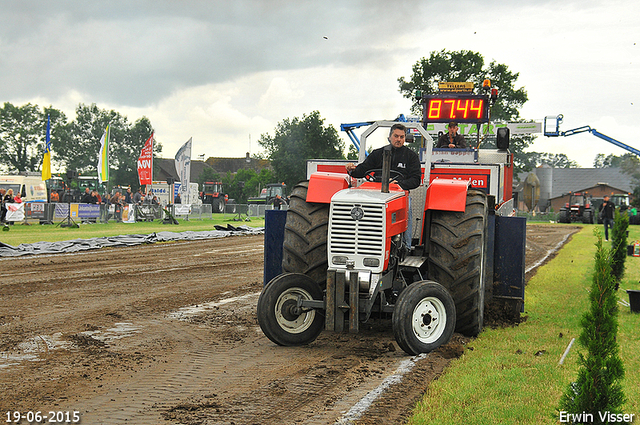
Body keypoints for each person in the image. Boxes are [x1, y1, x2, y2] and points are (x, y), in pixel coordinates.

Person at [345, 123, 422, 247]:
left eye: (401, 137)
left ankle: (405, 244)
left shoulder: (411, 157)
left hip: (399, 193)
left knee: (407, 208)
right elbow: (363, 170)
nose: (399, 139)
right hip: (376, 193)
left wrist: (400, 183)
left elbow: (416, 180)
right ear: (390, 136)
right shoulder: (377, 154)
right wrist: (352, 170)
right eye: (396, 136)